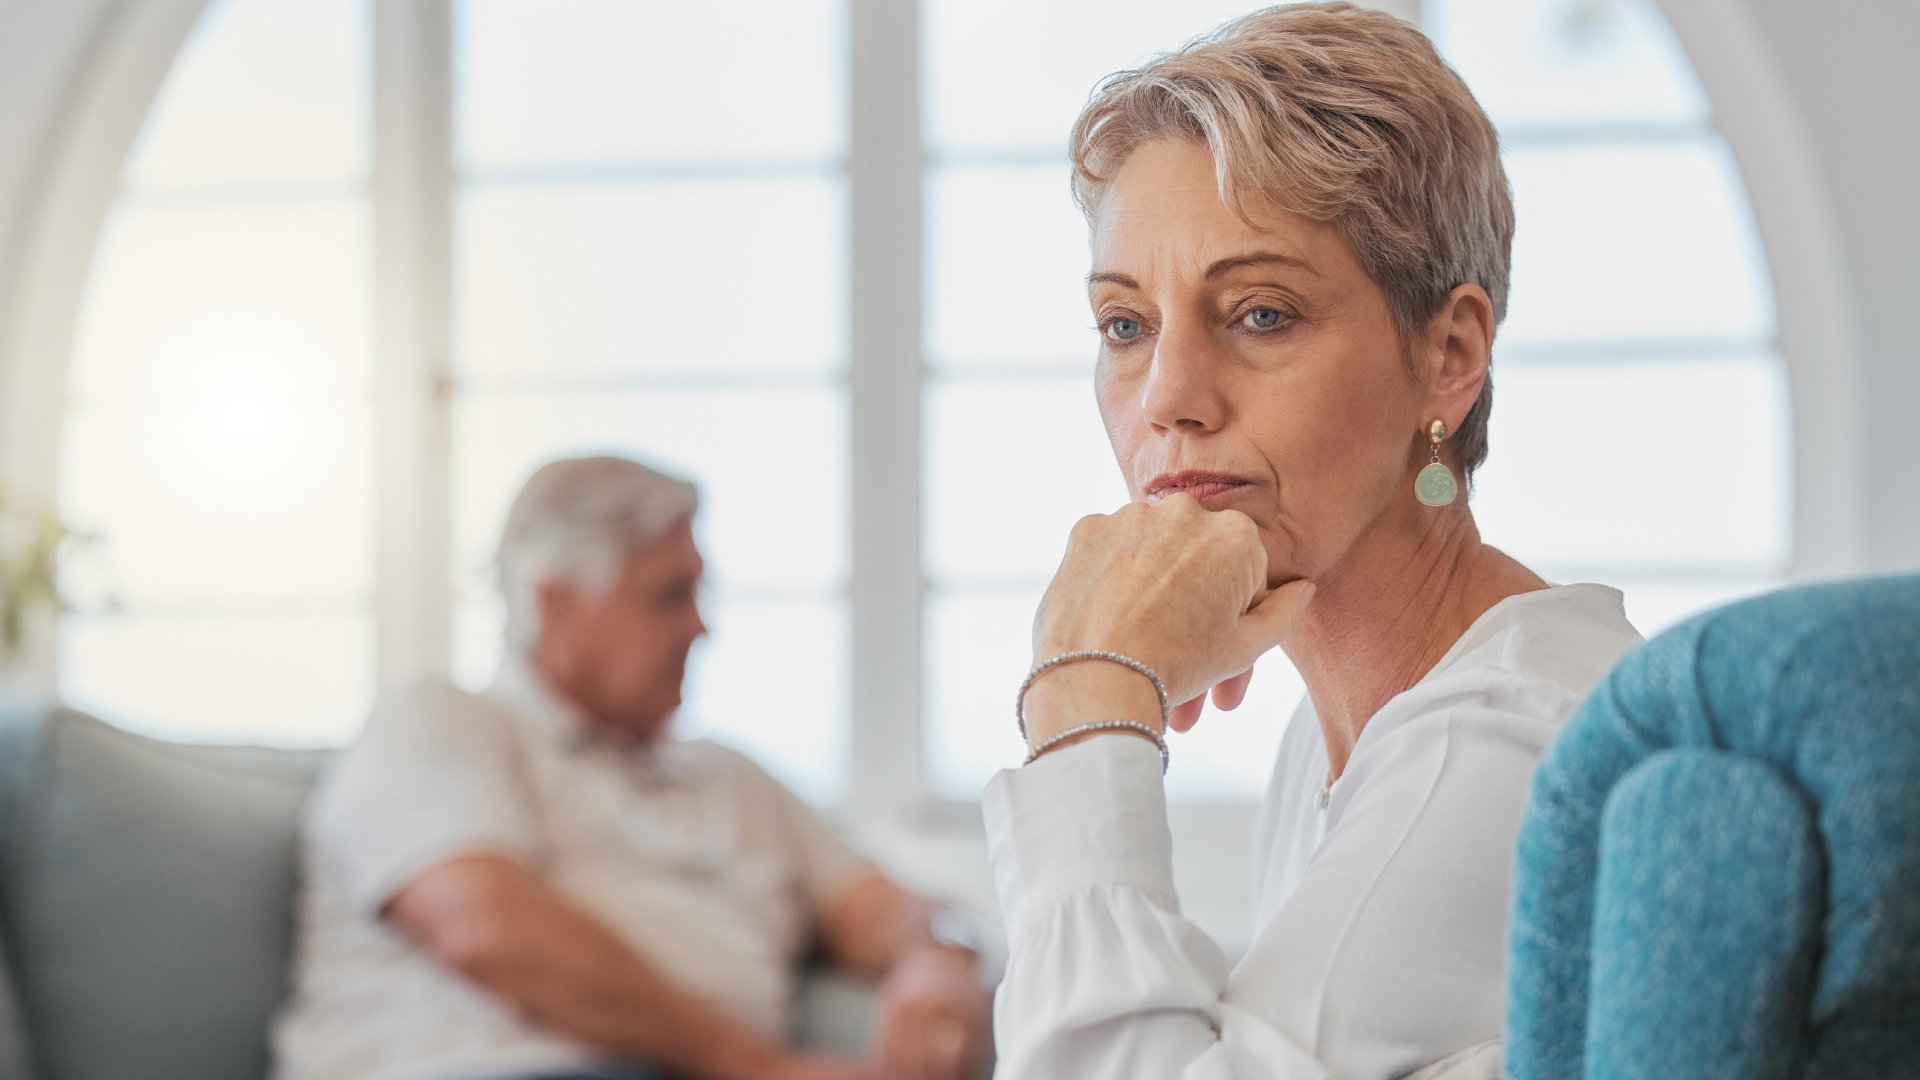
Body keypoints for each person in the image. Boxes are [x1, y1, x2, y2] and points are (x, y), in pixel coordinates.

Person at [984, 5, 1643, 1078]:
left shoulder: (1500, 747)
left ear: (1449, 356)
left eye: (1260, 315)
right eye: (1125, 325)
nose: (1170, 399)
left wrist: (1085, 701)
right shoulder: (1338, 740)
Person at [273, 456, 989, 1080]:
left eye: (700, 593)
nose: (701, 627)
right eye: (668, 595)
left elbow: (878, 906)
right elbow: (485, 929)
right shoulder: (441, 721)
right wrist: (758, 1067)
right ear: (555, 606)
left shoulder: (731, 778)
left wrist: (939, 957)